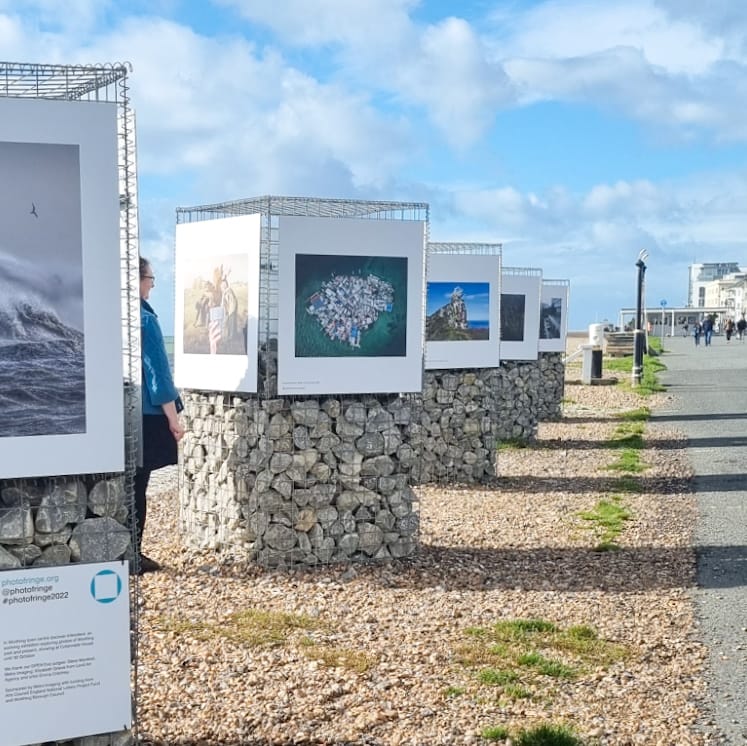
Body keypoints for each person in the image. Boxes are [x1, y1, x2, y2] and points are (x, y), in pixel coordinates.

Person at [135, 257, 185, 574]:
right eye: (151, 278)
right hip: (147, 417)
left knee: (126, 484)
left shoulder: (115, 315)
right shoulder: (146, 320)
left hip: (121, 413)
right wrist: (173, 419)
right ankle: (133, 554)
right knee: (139, 486)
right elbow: (158, 378)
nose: (153, 283)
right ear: (138, 279)